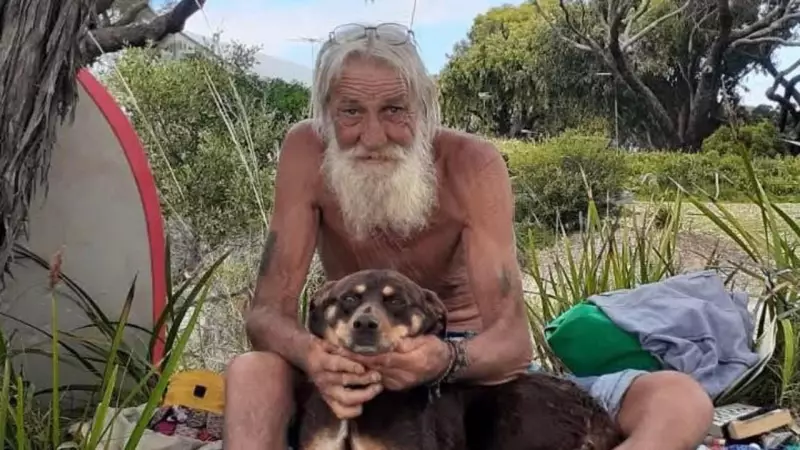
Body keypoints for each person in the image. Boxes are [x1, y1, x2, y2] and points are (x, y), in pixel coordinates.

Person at [223, 22, 713, 450]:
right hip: (346, 359)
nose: (372, 137)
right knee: (252, 372)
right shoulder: (305, 151)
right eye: (350, 112)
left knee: (678, 398)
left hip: (465, 370)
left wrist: (444, 359)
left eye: (395, 110)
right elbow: (266, 313)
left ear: (425, 107)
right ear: (327, 114)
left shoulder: (471, 164)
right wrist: (316, 356)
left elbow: (511, 342)